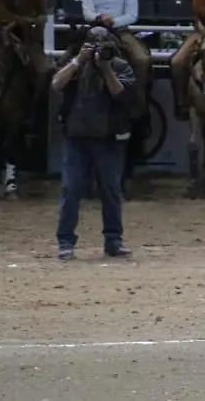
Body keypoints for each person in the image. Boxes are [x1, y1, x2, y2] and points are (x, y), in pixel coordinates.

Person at [51, 26, 136, 260]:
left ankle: (113, 240)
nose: (99, 46)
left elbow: (120, 94)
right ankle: (65, 241)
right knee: (70, 189)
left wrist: (106, 68)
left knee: (110, 190)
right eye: (93, 41)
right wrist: (79, 60)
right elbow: (56, 84)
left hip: (107, 138)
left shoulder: (120, 65)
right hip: (76, 137)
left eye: (103, 42)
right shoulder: (74, 62)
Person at [78, 0, 149, 117]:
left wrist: (113, 22)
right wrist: (99, 18)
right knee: (69, 57)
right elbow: (87, 12)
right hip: (95, 32)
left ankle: (138, 97)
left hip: (121, 31)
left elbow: (132, 15)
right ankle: (69, 101)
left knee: (141, 59)